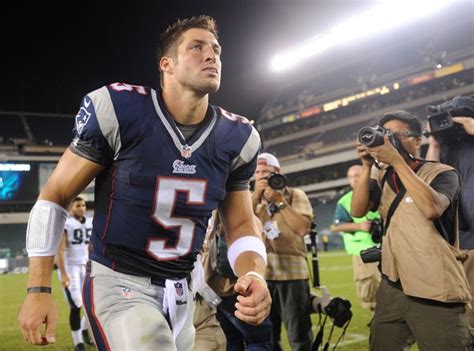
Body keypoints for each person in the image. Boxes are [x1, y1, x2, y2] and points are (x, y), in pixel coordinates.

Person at [17, 15, 271, 351]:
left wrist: (253, 272)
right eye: (196, 47)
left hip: (185, 289)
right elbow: (56, 194)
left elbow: (240, 224)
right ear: (167, 64)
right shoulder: (122, 111)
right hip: (120, 283)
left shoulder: (236, 137)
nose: (212, 56)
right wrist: (38, 289)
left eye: (216, 49)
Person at [351, 110, 472, 350]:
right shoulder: (382, 176)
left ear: (418, 141)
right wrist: (366, 166)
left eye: (397, 134)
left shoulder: (442, 172)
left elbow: (431, 208)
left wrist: (396, 160)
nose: (389, 139)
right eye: (385, 134)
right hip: (393, 284)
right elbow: (358, 210)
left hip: (435, 285)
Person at [252, 152, 313, 351]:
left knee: (299, 336)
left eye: (266, 172)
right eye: (258, 172)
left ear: (277, 173)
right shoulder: (252, 199)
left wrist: (279, 201)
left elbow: (303, 228)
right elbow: (238, 226)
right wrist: (254, 195)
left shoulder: (295, 195)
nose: (261, 176)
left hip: (292, 274)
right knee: (268, 337)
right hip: (262, 275)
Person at [426, 109, 474, 327]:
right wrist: (434, 144)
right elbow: (428, 180)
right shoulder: (445, 148)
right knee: (463, 309)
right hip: (457, 241)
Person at [206, 210, 273, 351]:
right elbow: (254, 235)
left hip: (213, 292)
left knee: (231, 342)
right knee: (258, 342)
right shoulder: (237, 220)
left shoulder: (204, 218)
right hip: (239, 289)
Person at [330, 165, 381, 315]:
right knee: (373, 298)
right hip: (363, 253)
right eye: (351, 176)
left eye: (358, 175)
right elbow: (335, 227)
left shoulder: (381, 194)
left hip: (387, 248)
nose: (354, 179)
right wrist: (358, 225)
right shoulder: (345, 201)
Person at [55, 197, 94, 351]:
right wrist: (64, 274)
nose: (82, 208)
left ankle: (85, 330)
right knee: (76, 304)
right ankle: (78, 342)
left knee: (91, 303)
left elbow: (92, 246)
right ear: (71, 208)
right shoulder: (67, 224)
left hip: (86, 266)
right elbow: (60, 250)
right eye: (78, 205)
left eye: (83, 205)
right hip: (70, 268)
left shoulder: (90, 222)